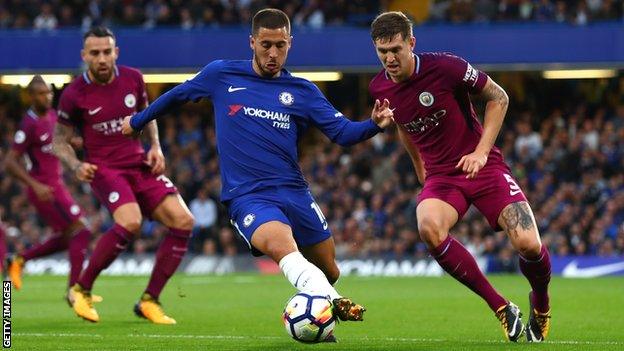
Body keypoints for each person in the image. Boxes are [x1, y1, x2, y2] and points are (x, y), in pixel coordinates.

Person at [123, 8, 393, 338]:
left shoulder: (303, 91)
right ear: (252, 42)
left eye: (280, 45)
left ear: (290, 44)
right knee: (284, 248)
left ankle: (323, 297)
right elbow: (178, 94)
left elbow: (342, 133)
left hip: (294, 192)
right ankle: (335, 304)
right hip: (247, 196)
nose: (273, 53)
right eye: (266, 44)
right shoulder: (222, 75)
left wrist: (374, 125)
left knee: (328, 269)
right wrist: (137, 122)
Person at [368, 12, 551, 343]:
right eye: (382, 52)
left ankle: (541, 303)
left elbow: (499, 98)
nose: (390, 59)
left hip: (484, 167)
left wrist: (481, 153)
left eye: (396, 49)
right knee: (428, 227)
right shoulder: (379, 86)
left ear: (411, 43)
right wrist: (420, 169)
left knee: (529, 245)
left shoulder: (446, 67)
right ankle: (501, 307)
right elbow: (404, 127)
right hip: (442, 177)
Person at [54, 26, 195, 324]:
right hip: (105, 169)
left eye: (107, 52)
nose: (102, 58)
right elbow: (58, 141)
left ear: (116, 52)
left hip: (139, 164)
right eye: (95, 53)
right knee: (131, 221)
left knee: (183, 220)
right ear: (84, 56)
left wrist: (156, 146)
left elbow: (148, 114)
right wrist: (75, 165)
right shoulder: (74, 94)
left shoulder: (133, 78)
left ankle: (149, 301)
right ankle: (81, 289)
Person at [5, 76, 93, 303]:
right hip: (44, 189)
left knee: (68, 238)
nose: (48, 97)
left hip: (56, 185)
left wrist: (72, 142)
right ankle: (75, 291)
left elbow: (57, 143)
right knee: (82, 231)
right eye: (42, 94)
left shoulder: (53, 116)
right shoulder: (28, 124)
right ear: (31, 96)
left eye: (49, 93)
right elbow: (10, 162)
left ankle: (18, 260)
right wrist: (34, 184)